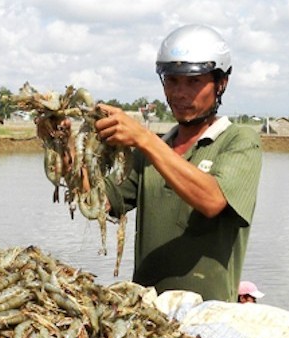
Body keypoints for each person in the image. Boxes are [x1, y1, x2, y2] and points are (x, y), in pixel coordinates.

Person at [93, 24, 262, 302]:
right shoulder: (152, 151)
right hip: (148, 313)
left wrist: (144, 139)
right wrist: (65, 151)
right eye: (172, 80)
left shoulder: (240, 140)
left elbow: (212, 200)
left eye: (194, 81)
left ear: (221, 83)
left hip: (209, 317)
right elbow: (99, 202)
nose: (180, 93)